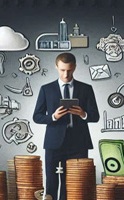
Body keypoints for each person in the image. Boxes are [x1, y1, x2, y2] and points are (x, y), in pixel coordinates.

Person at [32, 52, 100, 200]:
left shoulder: (86, 88)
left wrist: (83, 114)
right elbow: (36, 117)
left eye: (69, 70)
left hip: (79, 143)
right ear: (56, 67)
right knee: (51, 181)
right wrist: (53, 117)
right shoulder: (46, 89)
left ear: (75, 67)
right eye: (62, 70)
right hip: (54, 143)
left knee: (76, 183)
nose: (66, 74)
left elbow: (95, 116)